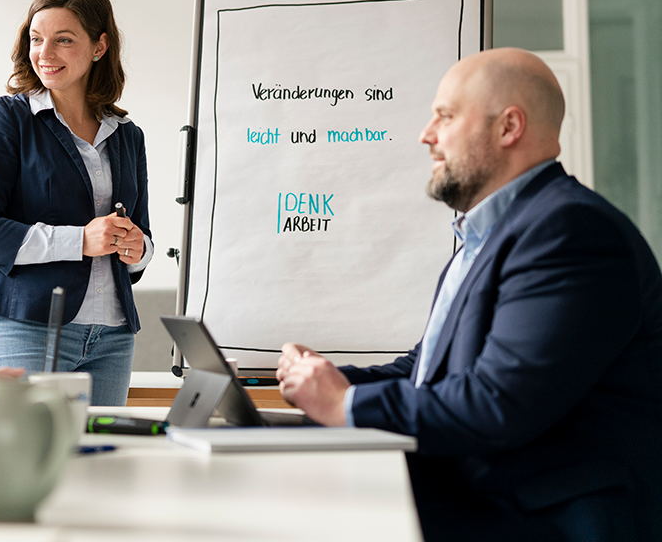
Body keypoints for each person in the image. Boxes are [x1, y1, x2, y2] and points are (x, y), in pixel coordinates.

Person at [275, 48, 662, 542]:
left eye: (445, 115)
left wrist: (345, 404)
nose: (426, 135)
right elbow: (428, 372)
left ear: (508, 127)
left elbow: (498, 402)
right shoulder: (493, 234)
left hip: (541, 521)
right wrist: (324, 381)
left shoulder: (571, 232)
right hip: (475, 501)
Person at [0, 0, 152, 406]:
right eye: (36, 39)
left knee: (101, 467)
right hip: (28, 327)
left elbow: (141, 238)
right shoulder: (7, 120)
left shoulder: (127, 135)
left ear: (99, 47)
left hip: (113, 334)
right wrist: (81, 240)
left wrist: (139, 248)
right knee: (30, 460)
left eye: (63, 40)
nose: (45, 54)